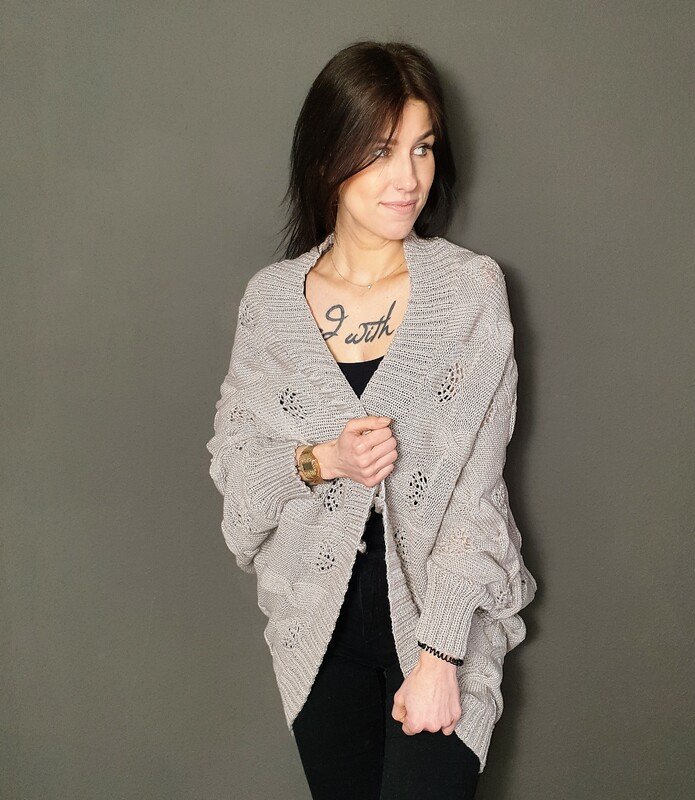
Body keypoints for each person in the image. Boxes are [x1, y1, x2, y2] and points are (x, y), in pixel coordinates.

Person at [206, 40, 537, 800]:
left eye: (422, 148)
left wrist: (440, 655)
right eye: (382, 150)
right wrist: (322, 460)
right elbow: (238, 476)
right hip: (316, 632)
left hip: (437, 618)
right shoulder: (270, 304)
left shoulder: (470, 291)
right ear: (329, 157)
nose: (408, 177)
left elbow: (477, 492)